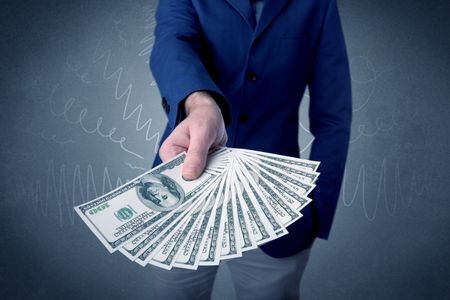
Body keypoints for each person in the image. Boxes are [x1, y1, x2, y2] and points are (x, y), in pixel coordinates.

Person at [150, 0, 352, 299]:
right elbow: (172, 45)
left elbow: (333, 114)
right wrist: (200, 103)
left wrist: (316, 206)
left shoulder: (318, 5)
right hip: (184, 183)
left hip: (276, 203)